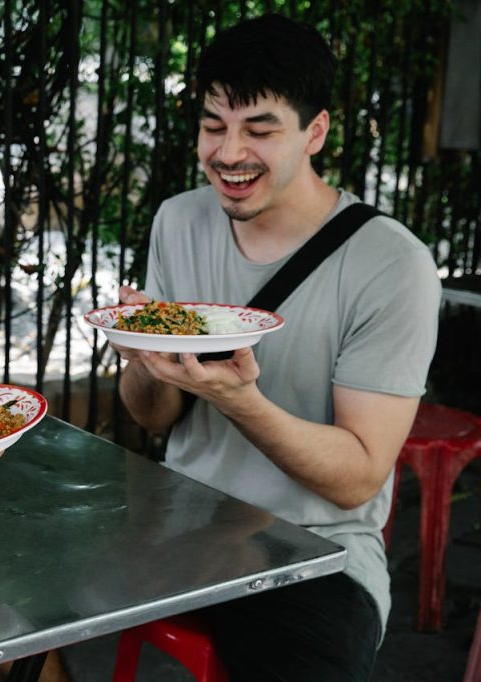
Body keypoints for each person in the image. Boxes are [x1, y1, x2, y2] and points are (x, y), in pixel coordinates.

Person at [116, 14, 440, 681]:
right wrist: (145, 358)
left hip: (314, 549)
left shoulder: (391, 264)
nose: (229, 153)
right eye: (214, 126)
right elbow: (153, 417)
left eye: (260, 130)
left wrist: (242, 401)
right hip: (177, 520)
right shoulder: (179, 220)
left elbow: (357, 477)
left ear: (315, 132)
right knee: (13, 609)